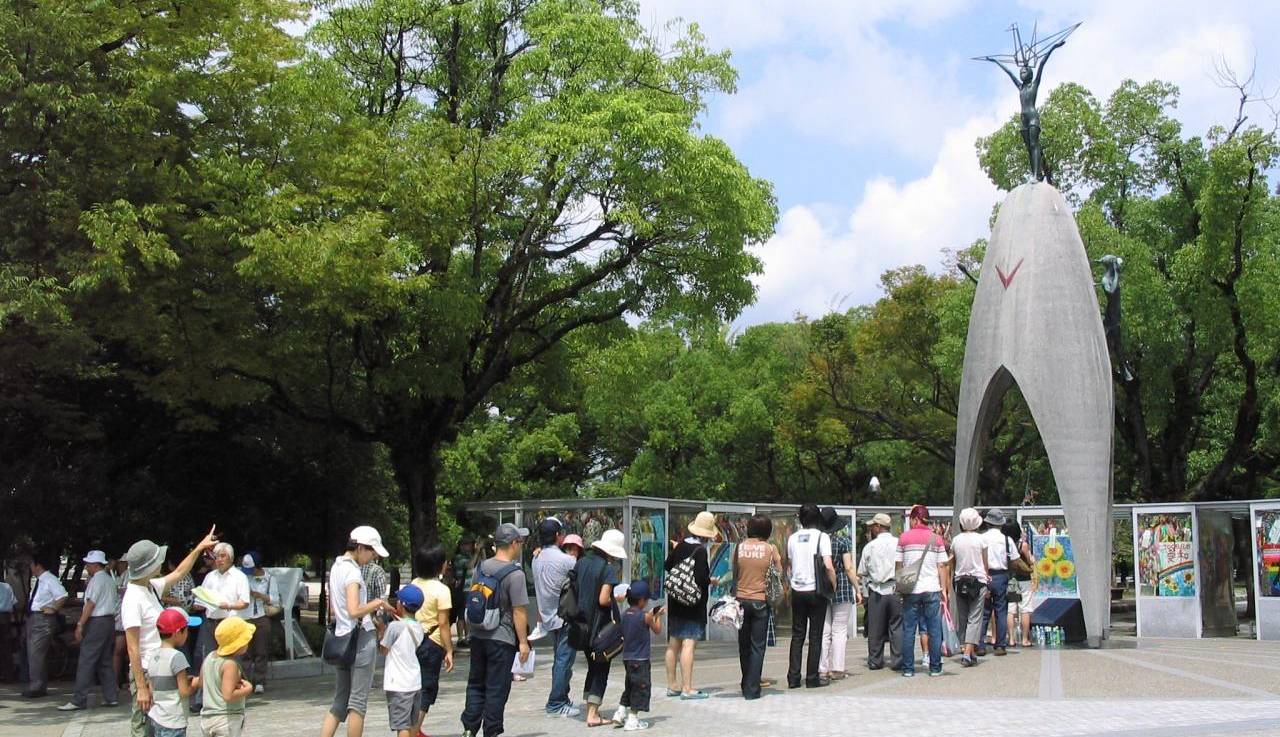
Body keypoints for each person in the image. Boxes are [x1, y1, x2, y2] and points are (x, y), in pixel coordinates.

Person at [122, 526, 219, 737]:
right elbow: (132, 647)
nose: (162, 563)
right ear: (149, 566)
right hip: (147, 670)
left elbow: (179, 572)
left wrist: (200, 547)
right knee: (143, 727)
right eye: (158, 560)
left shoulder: (150, 586)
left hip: (162, 667)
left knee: (163, 724)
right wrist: (141, 687)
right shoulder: (133, 598)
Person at [320, 526, 394, 737]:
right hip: (360, 638)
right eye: (371, 552)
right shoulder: (353, 572)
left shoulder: (336, 567)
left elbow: (337, 609)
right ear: (360, 548)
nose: (372, 557)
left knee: (339, 701)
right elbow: (354, 610)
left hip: (342, 637)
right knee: (358, 703)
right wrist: (378, 602)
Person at [460, 523, 530, 737]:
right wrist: (523, 642)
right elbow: (518, 612)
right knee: (497, 688)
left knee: (475, 684)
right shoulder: (515, 574)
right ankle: (491, 731)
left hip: (478, 636)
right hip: (502, 638)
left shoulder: (480, 568)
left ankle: (469, 729)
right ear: (513, 543)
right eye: (520, 542)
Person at [530, 517, 580, 718]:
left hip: (548, 616)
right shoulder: (566, 560)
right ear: (559, 536)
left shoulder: (536, 558)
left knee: (560, 659)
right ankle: (556, 702)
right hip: (565, 617)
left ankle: (562, 697)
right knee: (563, 660)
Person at [663, 511, 716, 700]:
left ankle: (672, 685)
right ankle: (687, 688)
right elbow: (701, 578)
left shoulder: (681, 545)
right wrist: (711, 581)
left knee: (673, 643)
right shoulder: (700, 551)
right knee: (688, 644)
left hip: (676, 600)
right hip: (692, 603)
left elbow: (667, 566)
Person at [60, 550, 121, 710]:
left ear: (94, 564)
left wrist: (80, 624)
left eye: (88, 563)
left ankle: (78, 699)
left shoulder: (96, 581)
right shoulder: (109, 580)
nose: (86, 566)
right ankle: (111, 696)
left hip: (97, 621)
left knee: (87, 660)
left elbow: (90, 604)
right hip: (109, 621)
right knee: (105, 660)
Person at [576, 528, 625, 726]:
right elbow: (603, 599)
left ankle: (590, 707)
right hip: (599, 627)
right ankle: (593, 714)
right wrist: (617, 598)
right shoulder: (607, 569)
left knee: (591, 666)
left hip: (580, 624)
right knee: (601, 668)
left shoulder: (581, 563)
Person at [193, 542, 250, 711]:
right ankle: (201, 698)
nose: (219, 560)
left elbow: (244, 602)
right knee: (207, 658)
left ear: (231, 558)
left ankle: (233, 692)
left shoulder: (239, 577)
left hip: (229, 622)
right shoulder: (210, 577)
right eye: (216, 556)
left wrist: (228, 605)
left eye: (222, 556)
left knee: (232, 659)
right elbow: (201, 599)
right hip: (211, 621)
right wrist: (199, 604)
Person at [785, 503, 835, 689]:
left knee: (797, 635)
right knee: (815, 635)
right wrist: (833, 584)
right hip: (816, 591)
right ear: (817, 518)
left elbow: (789, 564)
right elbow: (828, 565)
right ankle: (812, 678)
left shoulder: (792, 538)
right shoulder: (822, 537)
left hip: (797, 590)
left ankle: (793, 677)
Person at [896, 504, 949, 678]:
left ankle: (908, 668)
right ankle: (935, 667)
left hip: (911, 589)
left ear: (915, 518)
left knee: (909, 629)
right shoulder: (937, 539)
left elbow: (899, 565)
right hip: (932, 588)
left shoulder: (903, 538)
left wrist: (900, 585)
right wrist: (944, 590)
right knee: (934, 629)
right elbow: (942, 565)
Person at [734, 513, 781, 699]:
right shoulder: (770, 549)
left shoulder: (739, 547)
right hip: (761, 600)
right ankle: (752, 688)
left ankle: (745, 682)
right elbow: (778, 572)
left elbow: (735, 572)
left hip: (741, 599)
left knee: (743, 645)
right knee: (757, 646)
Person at [411, 546, 454, 736]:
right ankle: (414, 729)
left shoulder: (413, 584)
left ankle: (413, 727)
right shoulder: (442, 590)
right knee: (428, 687)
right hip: (433, 643)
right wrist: (449, 650)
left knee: (413, 686)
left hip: (412, 640)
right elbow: (443, 623)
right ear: (438, 566)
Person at [146, 607, 203, 737]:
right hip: (173, 721)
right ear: (177, 632)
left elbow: (151, 689)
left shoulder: (152, 656)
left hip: (156, 718)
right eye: (186, 630)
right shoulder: (177, 657)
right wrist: (195, 683)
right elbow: (184, 691)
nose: (187, 634)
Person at [818, 508, 860, 680]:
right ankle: (838, 668)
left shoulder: (818, 542)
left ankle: (822, 668)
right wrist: (857, 588)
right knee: (840, 630)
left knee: (824, 630)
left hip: (822, 586)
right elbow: (849, 567)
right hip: (841, 584)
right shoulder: (843, 541)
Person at [857, 513, 901, 671]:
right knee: (897, 626)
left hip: (876, 589)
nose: (870, 529)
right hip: (895, 588)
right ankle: (898, 660)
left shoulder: (870, 547)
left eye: (872, 526)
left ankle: (875, 660)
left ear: (878, 527)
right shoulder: (899, 543)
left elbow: (862, 571)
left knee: (876, 627)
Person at [616, 580, 661, 731]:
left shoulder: (624, 615)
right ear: (641, 600)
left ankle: (620, 712)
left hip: (627, 658)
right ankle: (633, 719)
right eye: (647, 600)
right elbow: (658, 630)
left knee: (629, 685)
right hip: (641, 659)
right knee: (640, 688)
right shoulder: (645, 617)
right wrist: (658, 616)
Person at [380, 585, 425, 737]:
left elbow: (383, 650)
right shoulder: (419, 627)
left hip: (398, 683)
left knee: (402, 726)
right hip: (414, 681)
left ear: (401, 604)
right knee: (412, 724)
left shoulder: (394, 627)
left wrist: (381, 630)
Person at [199, 616, 254, 737]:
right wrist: (247, 689)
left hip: (207, 718)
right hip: (226, 719)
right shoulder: (230, 664)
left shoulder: (210, 657)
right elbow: (228, 695)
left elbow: (201, 682)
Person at [24, 552, 68, 698]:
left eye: (31, 564)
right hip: (35, 618)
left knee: (36, 653)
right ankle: (38, 684)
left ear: (38, 565)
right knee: (34, 652)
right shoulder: (40, 580)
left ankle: (37, 686)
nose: (30, 567)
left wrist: (53, 608)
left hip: (42, 619)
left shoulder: (49, 579)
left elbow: (62, 595)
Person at [950, 508, 989, 667]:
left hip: (960, 580)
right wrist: (987, 577)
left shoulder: (956, 540)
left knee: (963, 617)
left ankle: (969, 650)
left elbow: (952, 562)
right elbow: (985, 562)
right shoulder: (981, 540)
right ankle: (967, 653)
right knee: (975, 617)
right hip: (978, 580)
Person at [978, 509, 1015, 657]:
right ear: (1000, 524)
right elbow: (1014, 559)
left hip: (984, 575)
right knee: (1001, 611)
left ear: (987, 523)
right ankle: (1000, 645)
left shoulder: (981, 538)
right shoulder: (1007, 540)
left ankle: (980, 645)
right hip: (1001, 576)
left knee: (983, 612)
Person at [241, 552, 277, 694]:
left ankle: (259, 681)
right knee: (245, 652)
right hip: (244, 617)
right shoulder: (242, 577)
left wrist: (259, 595)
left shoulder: (269, 578)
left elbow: (275, 598)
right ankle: (245, 681)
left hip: (261, 615)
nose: (250, 573)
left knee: (261, 650)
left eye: (252, 569)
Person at [1003, 521, 1036, 646]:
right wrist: (1032, 560)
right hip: (1024, 578)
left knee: (1011, 609)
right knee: (1025, 608)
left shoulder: (1005, 544)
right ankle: (1024, 639)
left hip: (1011, 579)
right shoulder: (1023, 545)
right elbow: (1029, 560)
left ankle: (1011, 638)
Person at [451, 536, 477, 647]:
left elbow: (481, 563)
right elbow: (470, 565)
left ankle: (468, 636)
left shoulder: (471, 556)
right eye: (467, 544)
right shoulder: (458, 558)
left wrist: (480, 551)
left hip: (470, 589)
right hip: (462, 590)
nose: (469, 547)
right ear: (461, 546)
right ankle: (461, 637)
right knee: (461, 614)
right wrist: (477, 553)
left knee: (468, 614)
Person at [0, 571, 14, 682]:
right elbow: (13, 602)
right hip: (6, 619)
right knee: (6, 647)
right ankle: (8, 675)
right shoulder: (7, 587)